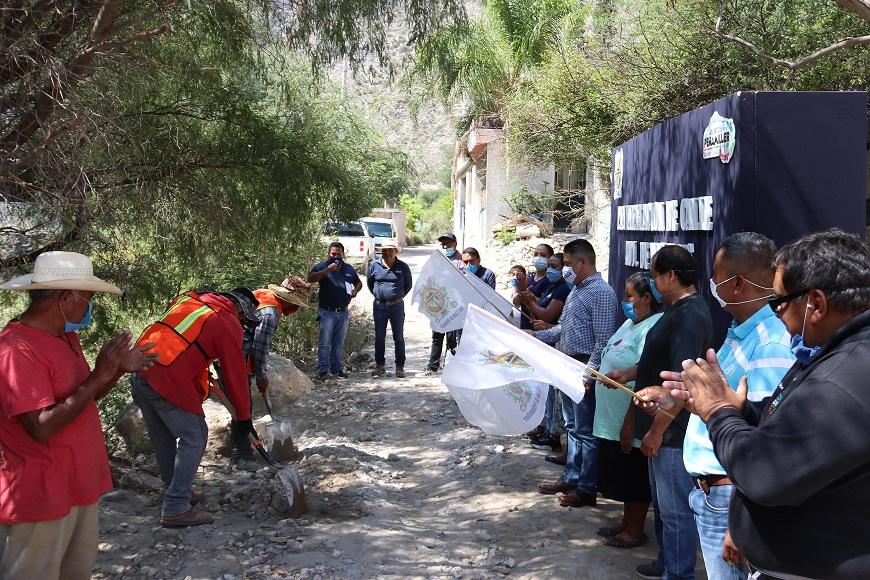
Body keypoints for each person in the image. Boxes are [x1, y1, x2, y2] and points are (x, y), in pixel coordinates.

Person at [660, 229, 870, 580]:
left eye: (780, 303)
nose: (778, 317)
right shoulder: (840, 357)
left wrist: (718, 412)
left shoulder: (842, 377)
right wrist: (740, 409)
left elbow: (763, 473)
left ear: (815, 304)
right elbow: (792, 435)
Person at [638, 233, 795, 579]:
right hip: (714, 495)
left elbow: (767, 443)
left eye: (716, 276)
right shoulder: (742, 333)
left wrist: (741, 520)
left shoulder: (771, 345)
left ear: (737, 283)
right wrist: (675, 397)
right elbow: (723, 405)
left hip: (728, 498)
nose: (712, 284)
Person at [0, 251, 156, 579]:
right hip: (41, 496)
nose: (90, 306)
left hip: (77, 485)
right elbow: (41, 427)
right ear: (66, 298)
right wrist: (100, 375)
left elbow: (84, 397)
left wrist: (114, 371)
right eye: (88, 298)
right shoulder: (16, 350)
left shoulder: (65, 337)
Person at [132, 287, 260, 527]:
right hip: (166, 378)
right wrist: (244, 417)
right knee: (195, 435)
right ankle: (176, 506)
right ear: (241, 311)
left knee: (164, 438)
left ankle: (175, 492)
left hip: (139, 371)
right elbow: (236, 376)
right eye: (244, 319)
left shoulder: (190, 301)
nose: (241, 323)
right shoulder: (226, 321)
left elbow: (183, 343)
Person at [630, 245, 712, 580]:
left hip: (673, 434)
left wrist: (657, 431)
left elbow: (684, 384)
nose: (651, 281)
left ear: (670, 276)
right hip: (663, 429)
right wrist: (629, 373)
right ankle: (666, 562)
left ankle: (677, 573)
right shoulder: (674, 309)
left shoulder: (690, 315)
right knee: (664, 509)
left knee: (676, 512)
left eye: (654, 274)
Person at [536, 239, 617, 508]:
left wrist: (588, 374)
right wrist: (537, 336)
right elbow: (564, 328)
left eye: (568, 265)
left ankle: (586, 488)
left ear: (582, 262)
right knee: (572, 427)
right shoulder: (577, 290)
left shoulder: (601, 293)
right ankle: (571, 477)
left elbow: (603, 339)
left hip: (583, 367)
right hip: (567, 365)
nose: (565, 270)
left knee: (586, 432)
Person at [593, 271, 663, 550]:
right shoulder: (632, 322)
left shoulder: (653, 327)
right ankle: (625, 524)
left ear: (647, 298)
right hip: (611, 419)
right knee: (622, 474)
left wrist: (630, 424)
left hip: (630, 419)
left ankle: (634, 531)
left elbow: (647, 377)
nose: (624, 302)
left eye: (629, 297)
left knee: (634, 476)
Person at [230, 277, 309, 469]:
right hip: (233, 357)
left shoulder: (262, 294)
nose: (295, 310)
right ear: (289, 300)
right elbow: (259, 348)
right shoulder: (271, 313)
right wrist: (261, 377)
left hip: (230, 352)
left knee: (241, 405)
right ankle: (242, 456)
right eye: (296, 305)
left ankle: (244, 449)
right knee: (242, 408)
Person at [521, 253, 572, 452]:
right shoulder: (552, 286)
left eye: (556, 265)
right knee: (549, 394)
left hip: (557, 347)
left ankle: (554, 436)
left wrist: (531, 304)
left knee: (558, 401)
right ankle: (548, 429)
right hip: (545, 339)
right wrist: (527, 298)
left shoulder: (564, 289)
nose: (550, 269)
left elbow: (548, 314)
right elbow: (533, 307)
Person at [308, 242, 363, 380]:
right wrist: (327, 270)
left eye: (338, 254)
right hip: (327, 312)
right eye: (333, 254)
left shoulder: (348, 268)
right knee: (325, 342)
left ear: (343, 254)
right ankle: (322, 371)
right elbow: (310, 278)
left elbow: (358, 282)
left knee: (338, 342)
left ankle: (337, 369)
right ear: (329, 253)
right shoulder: (323, 265)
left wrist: (355, 291)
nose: (336, 256)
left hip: (343, 312)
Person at [367, 242, 413, 378]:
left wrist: (396, 297)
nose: (387, 253)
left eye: (390, 250)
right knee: (379, 336)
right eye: (384, 250)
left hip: (397, 306)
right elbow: (370, 284)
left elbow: (408, 285)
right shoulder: (374, 265)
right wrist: (380, 295)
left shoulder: (403, 267)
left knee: (398, 336)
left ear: (395, 251)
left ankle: (400, 367)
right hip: (379, 306)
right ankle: (379, 365)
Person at [424, 233, 463, 375]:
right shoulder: (438, 260)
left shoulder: (461, 260)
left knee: (451, 336)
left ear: (455, 243)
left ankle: (450, 366)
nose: (446, 246)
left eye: (448, 243)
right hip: (438, 303)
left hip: (454, 304)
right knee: (437, 335)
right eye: (443, 244)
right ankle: (432, 366)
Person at [514, 243, 555, 329]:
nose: (538, 258)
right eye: (535, 254)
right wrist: (520, 289)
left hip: (541, 328)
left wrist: (528, 296)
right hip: (525, 325)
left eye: (543, 255)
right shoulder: (529, 277)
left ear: (550, 258)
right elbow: (516, 303)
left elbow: (547, 307)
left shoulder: (551, 279)